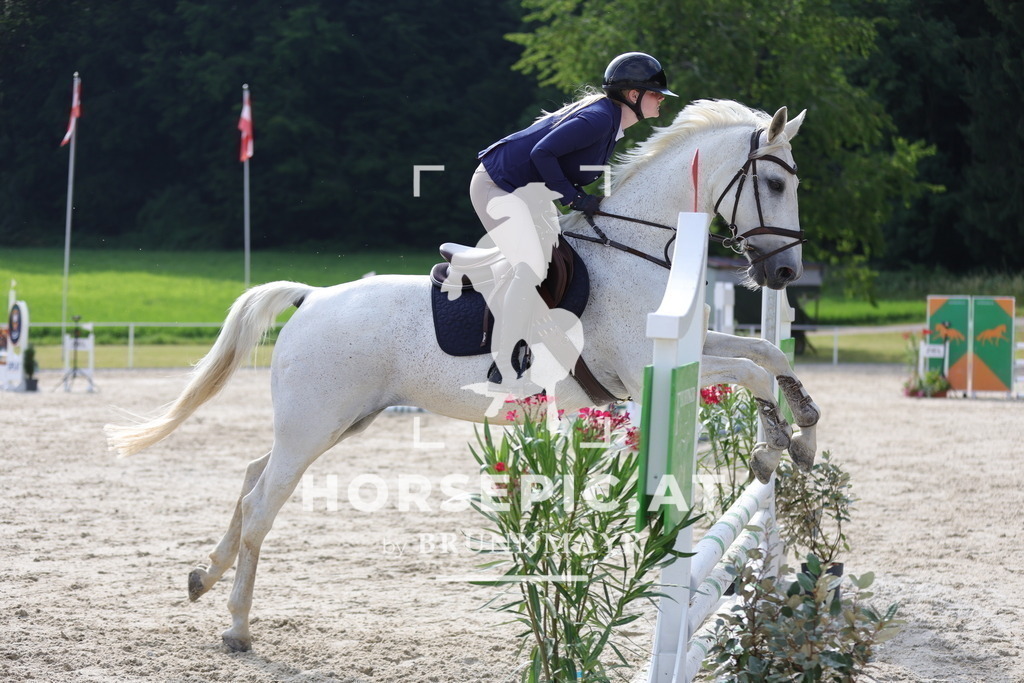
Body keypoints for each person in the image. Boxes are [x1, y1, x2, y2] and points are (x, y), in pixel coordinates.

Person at [467, 51, 677, 398]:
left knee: (568, 253)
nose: (661, 102)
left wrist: (574, 195)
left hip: (527, 193)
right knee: (532, 265)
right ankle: (504, 361)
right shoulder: (598, 119)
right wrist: (574, 198)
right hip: (498, 186)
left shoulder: (611, 122)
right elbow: (542, 154)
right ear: (633, 95)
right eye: (656, 95)